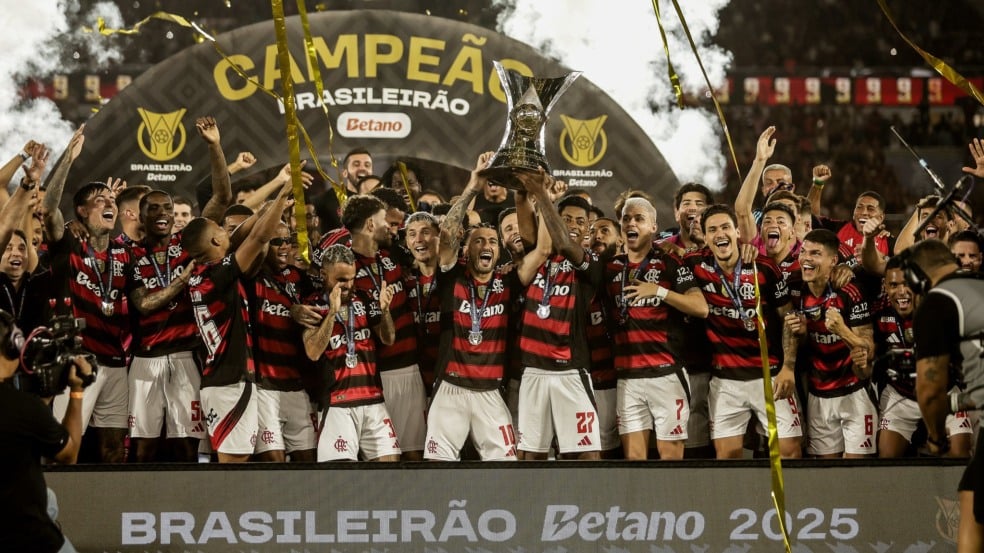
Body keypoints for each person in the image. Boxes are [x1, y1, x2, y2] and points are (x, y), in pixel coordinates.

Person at [182, 154, 292, 463]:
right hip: (229, 382)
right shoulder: (217, 274)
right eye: (219, 230)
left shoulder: (205, 272)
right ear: (214, 244)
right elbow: (256, 237)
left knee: (240, 464)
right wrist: (282, 196)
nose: (224, 231)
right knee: (234, 466)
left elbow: (245, 229)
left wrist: (272, 199)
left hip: (226, 380)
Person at [685, 204, 802, 459]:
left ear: (738, 232)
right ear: (704, 237)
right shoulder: (694, 264)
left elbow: (789, 318)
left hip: (769, 376)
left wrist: (789, 367)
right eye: (712, 230)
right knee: (727, 459)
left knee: (790, 453)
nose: (720, 234)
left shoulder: (764, 267)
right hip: (726, 381)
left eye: (726, 227)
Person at [610, 198, 708, 460]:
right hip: (628, 378)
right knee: (634, 462)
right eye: (626, 219)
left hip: (667, 375)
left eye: (639, 218)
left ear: (654, 226)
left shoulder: (669, 263)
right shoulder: (611, 268)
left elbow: (700, 307)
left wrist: (660, 291)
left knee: (671, 459)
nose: (631, 222)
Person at [909, 239, 984, 550]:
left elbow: (929, 390)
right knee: (972, 490)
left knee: (972, 500)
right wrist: (958, 402)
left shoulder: (939, 301)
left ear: (917, 278)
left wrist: (937, 436)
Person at [0, 310, 93, 553]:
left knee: (49, 499)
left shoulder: (26, 410)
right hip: (26, 535)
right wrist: (77, 391)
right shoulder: (23, 407)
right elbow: (68, 453)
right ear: (13, 347)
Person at [302, 244, 400, 462]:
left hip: (374, 400)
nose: (347, 285)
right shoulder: (312, 305)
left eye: (351, 278)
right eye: (340, 280)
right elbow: (313, 352)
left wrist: (385, 311)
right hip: (337, 403)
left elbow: (388, 338)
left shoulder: (364, 297)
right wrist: (332, 313)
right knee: (342, 479)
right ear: (323, 274)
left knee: (392, 474)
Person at [785, 229, 876, 458]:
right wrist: (803, 334)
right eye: (804, 252)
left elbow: (868, 348)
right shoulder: (795, 288)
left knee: (857, 474)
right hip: (819, 395)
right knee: (827, 475)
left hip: (854, 391)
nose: (806, 258)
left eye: (815, 253)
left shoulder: (849, 290)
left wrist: (842, 330)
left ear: (833, 260)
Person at [312, 147, 372, 232]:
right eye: (356, 164)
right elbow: (302, 209)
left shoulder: (379, 199)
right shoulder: (331, 197)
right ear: (345, 173)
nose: (362, 168)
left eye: (367, 165)